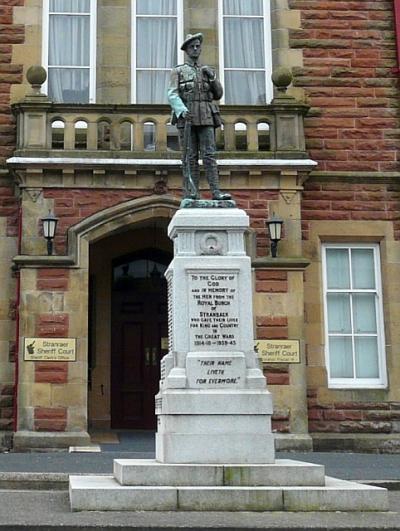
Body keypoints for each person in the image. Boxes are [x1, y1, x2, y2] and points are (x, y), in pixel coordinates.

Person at [168, 33, 231, 201]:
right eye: (192, 46)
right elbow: (172, 94)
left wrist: (212, 78)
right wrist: (181, 110)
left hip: (206, 113)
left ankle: (216, 192)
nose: (195, 49)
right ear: (186, 50)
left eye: (197, 46)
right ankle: (192, 192)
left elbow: (218, 94)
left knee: (210, 154)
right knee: (190, 155)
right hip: (187, 115)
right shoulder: (178, 71)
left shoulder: (207, 71)